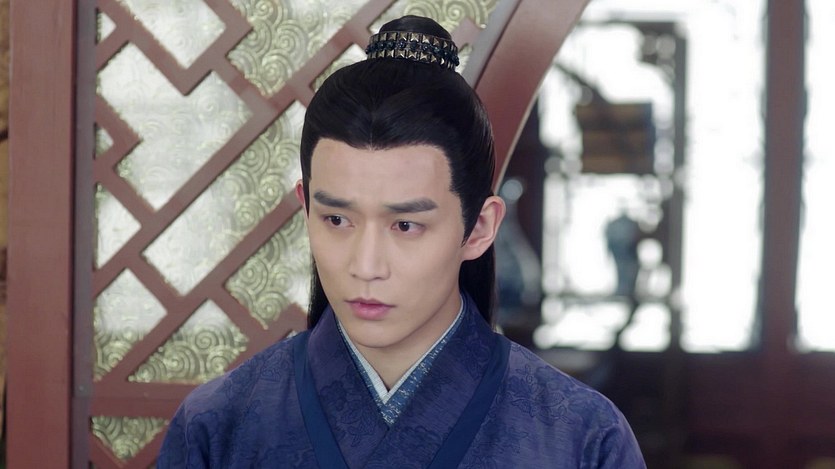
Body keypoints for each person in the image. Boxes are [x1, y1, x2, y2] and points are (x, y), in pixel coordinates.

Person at [157, 15, 646, 468]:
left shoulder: (581, 437)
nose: (366, 265)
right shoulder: (218, 425)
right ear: (306, 209)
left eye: (406, 226)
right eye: (336, 220)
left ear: (479, 227)